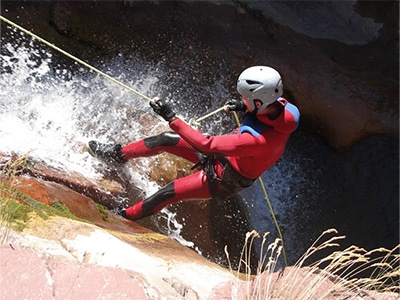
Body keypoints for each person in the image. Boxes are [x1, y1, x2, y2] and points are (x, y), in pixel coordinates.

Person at [87, 66, 300, 221]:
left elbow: (205, 145)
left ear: (259, 102)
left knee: (168, 192)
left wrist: (172, 118)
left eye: (244, 98)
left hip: (223, 179)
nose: (241, 99)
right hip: (224, 158)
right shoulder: (282, 106)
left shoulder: (256, 141)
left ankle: (123, 217)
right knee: (165, 140)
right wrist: (244, 108)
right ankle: (118, 155)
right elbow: (261, 116)